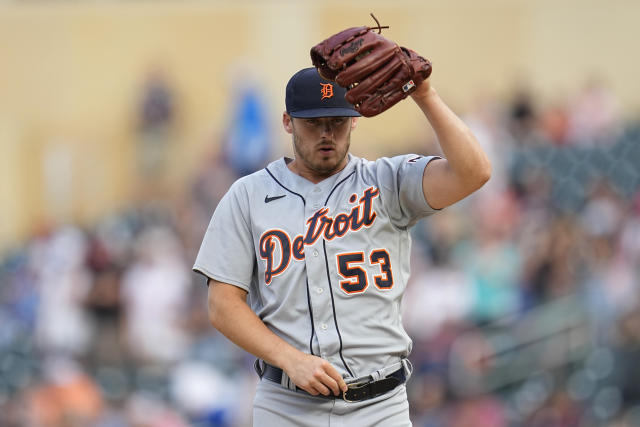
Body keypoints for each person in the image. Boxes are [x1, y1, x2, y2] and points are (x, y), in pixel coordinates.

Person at [193, 67, 491, 426]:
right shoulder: (248, 196)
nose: (326, 133)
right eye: (313, 122)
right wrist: (289, 358)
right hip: (287, 406)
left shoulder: (387, 182)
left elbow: (474, 172)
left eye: (337, 121)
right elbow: (222, 305)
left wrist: (424, 94)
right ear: (287, 122)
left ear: (355, 121)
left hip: (382, 405)